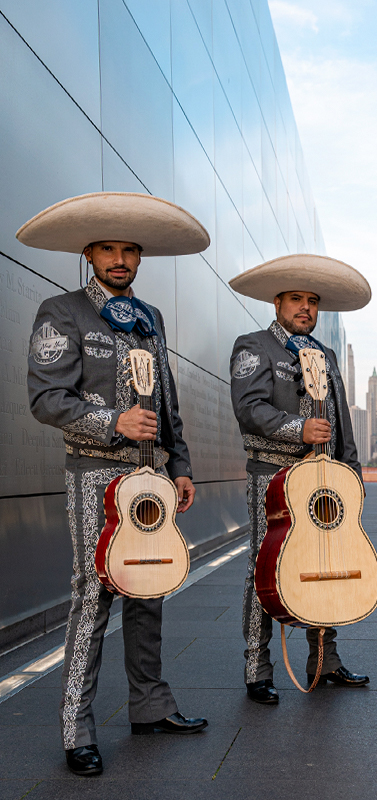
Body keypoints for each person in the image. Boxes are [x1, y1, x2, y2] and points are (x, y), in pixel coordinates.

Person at [21, 192, 212, 777]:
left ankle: (150, 707)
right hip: (95, 475)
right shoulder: (62, 311)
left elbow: (168, 402)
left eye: (130, 249)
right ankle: (76, 730)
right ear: (89, 253)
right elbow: (45, 399)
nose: (120, 258)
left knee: (150, 587)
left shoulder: (150, 318)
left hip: (152, 476)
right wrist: (113, 422)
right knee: (95, 594)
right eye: (108, 248)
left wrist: (180, 466)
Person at [228, 254, 372, 704]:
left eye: (312, 301)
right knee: (264, 567)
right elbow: (249, 409)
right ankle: (257, 668)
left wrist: (353, 477)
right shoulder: (252, 346)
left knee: (324, 562)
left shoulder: (326, 355)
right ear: (277, 303)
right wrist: (297, 428)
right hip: (272, 477)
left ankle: (325, 661)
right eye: (296, 299)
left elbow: (341, 420)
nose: (305, 308)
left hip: (324, 479)